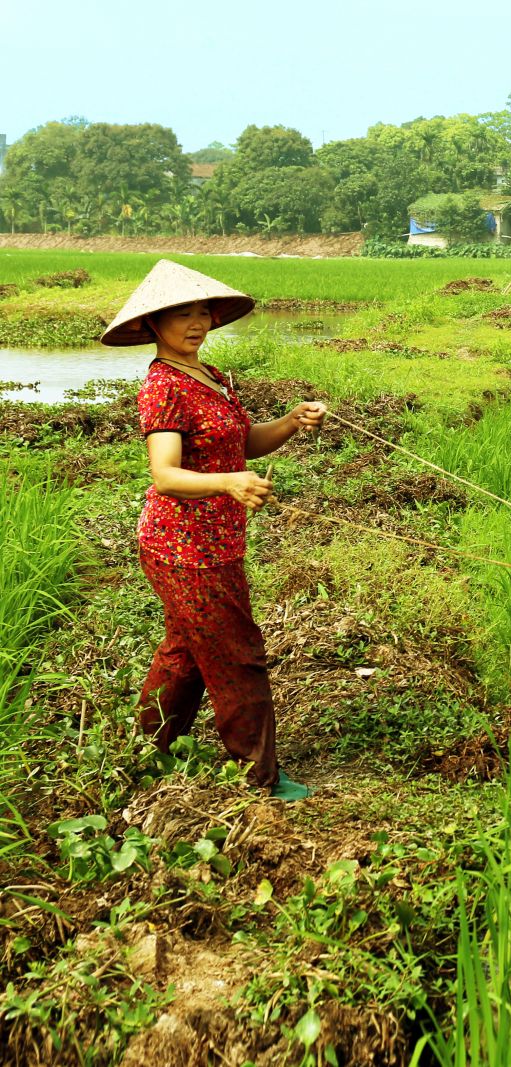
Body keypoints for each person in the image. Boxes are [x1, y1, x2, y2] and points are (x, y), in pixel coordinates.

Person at [100, 260, 326, 801]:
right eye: (181, 313)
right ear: (154, 324)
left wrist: (291, 421)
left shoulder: (211, 376)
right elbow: (165, 473)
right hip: (184, 547)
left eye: (202, 310)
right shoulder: (163, 386)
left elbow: (242, 443)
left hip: (215, 541)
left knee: (186, 650)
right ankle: (258, 776)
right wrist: (228, 485)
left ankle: (144, 751)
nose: (196, 322)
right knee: (237, 653)